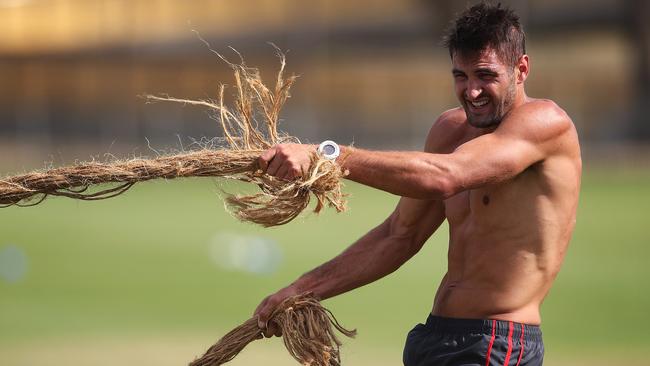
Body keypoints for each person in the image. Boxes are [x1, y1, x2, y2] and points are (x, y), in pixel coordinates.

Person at [253, 2, 581, 365]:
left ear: (521, 69)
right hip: (434, 337)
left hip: (496, 344)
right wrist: (303, 290)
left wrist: (327, 156)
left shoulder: (546, 123)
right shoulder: (449, 130)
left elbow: (446, 176)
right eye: (461, 76)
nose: (471, 91)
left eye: (485, 75)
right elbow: (399, 235)